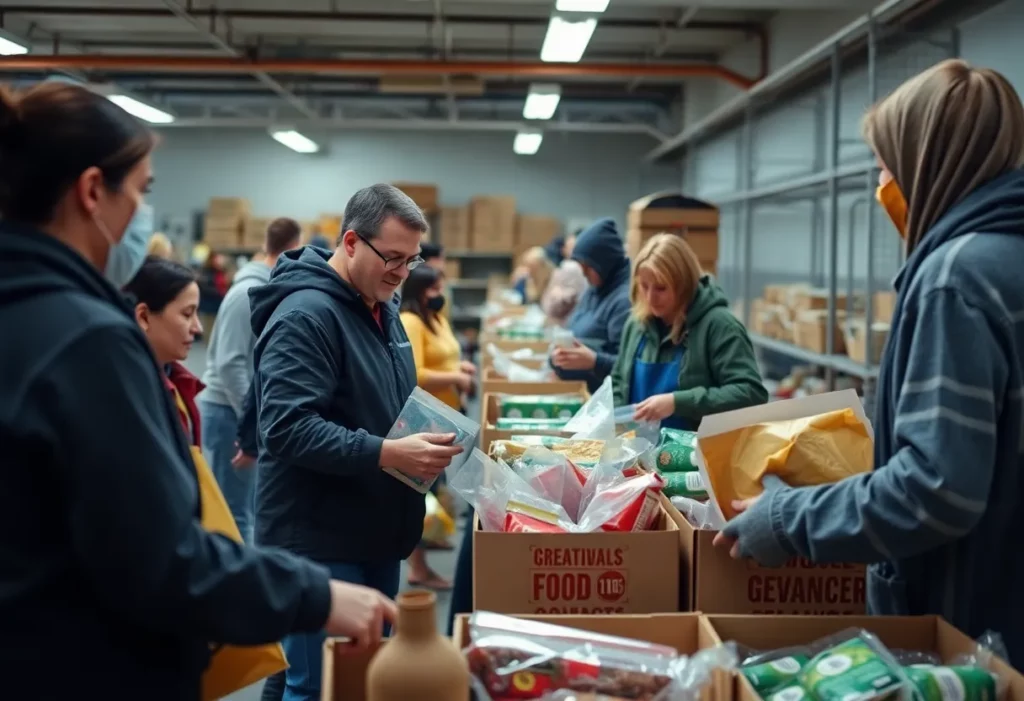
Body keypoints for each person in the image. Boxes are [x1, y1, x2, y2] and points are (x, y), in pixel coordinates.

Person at [0, 81, 396, 697]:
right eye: (143, 190)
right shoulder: (85, 343)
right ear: (91, 192)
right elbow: (159, 557)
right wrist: (314, 595)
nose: (144, 213)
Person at [715, 59, 1024, 661]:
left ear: (925, 160)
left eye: (885, 163)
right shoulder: (1008, 259)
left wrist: (788, 518)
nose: (880, 182)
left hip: (969, 629)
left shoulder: (956, 281)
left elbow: (938, 489)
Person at [249, 183, 464, 701]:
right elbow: (284, 427)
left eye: (411, 261)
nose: (402, 272)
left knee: (358, 679)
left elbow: (385, 397)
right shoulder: (307, 316)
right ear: (350, 242)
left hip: (371, 528)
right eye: (392, 257)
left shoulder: (382, 307)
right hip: (317, 539)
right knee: (318, 684)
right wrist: (389, 453)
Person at [200, 217, 303, 543]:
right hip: (228, 412)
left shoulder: (266, 290)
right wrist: (254, 419)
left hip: (239, 412)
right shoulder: (246, 293)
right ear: (290, 249)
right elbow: (230, 364)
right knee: (233, 514)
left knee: (248, 508)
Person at [610, 234, 767, 429]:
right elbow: (618, 380)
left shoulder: (719, 325)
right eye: (644, 286)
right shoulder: (636, 325)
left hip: (696, 455)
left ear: (683, 284)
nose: (650, 298)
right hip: (638, 453)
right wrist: (616, 424)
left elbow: (750, 393)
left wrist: (678, 402)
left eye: (661, 288)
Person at [399, 265, 477, 589]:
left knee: (434, 485)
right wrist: (456, 377)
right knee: (419, 491)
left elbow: (443, 355)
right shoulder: (411, 321)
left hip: (446, 413)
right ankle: (418, 566)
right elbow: (415, 371)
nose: (439, 295)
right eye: (433, 289)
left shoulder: (437, 318)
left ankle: (429, 541)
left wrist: (459, 365)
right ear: (418, 291)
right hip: (426, 416)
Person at [123, 256, 206, 446]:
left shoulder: (178, 383)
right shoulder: (129, 396)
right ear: (143, 317)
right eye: (187, 314)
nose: (198, 327)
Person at [551, 217, 632, 393]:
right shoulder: (594, 289)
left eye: (588, 268)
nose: (584, 274)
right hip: (582, 393)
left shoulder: (623, 301)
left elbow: (629, 367)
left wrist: (595, 360)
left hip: (604, 400)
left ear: (604, 262)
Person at [541, 231, 587, 325]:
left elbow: (553, 306)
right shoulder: (570, 267)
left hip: (566, 325)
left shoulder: (570, 267)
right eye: (566, 247)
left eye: (570, 248)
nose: (564, 250)